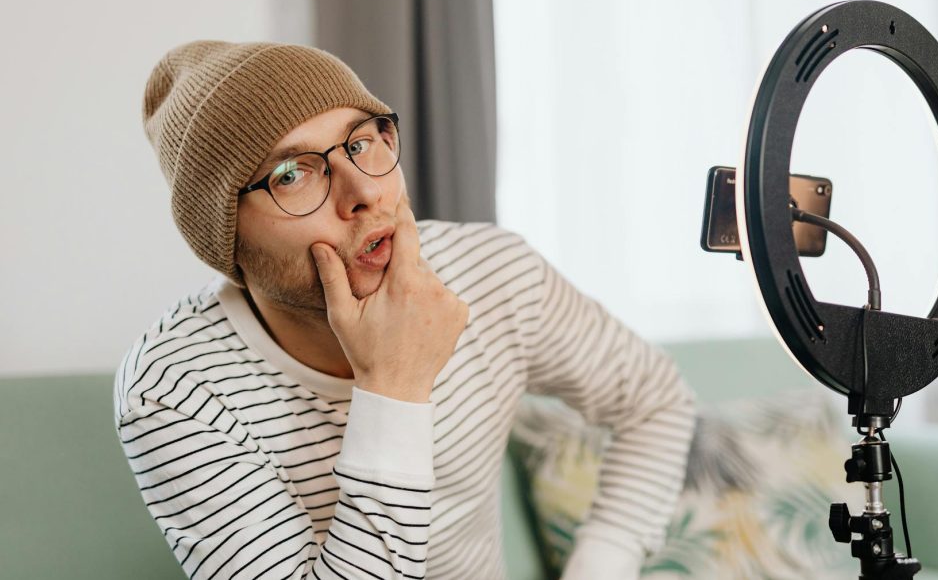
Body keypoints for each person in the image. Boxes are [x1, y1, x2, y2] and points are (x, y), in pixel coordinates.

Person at [115, 40, 696, 579]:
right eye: (291, 174)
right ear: (225, 238)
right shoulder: (173, 387)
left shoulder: (492, 272)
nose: (365, 192)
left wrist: (603, 562)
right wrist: (395, 384)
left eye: (362, 142)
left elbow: (655, 401)